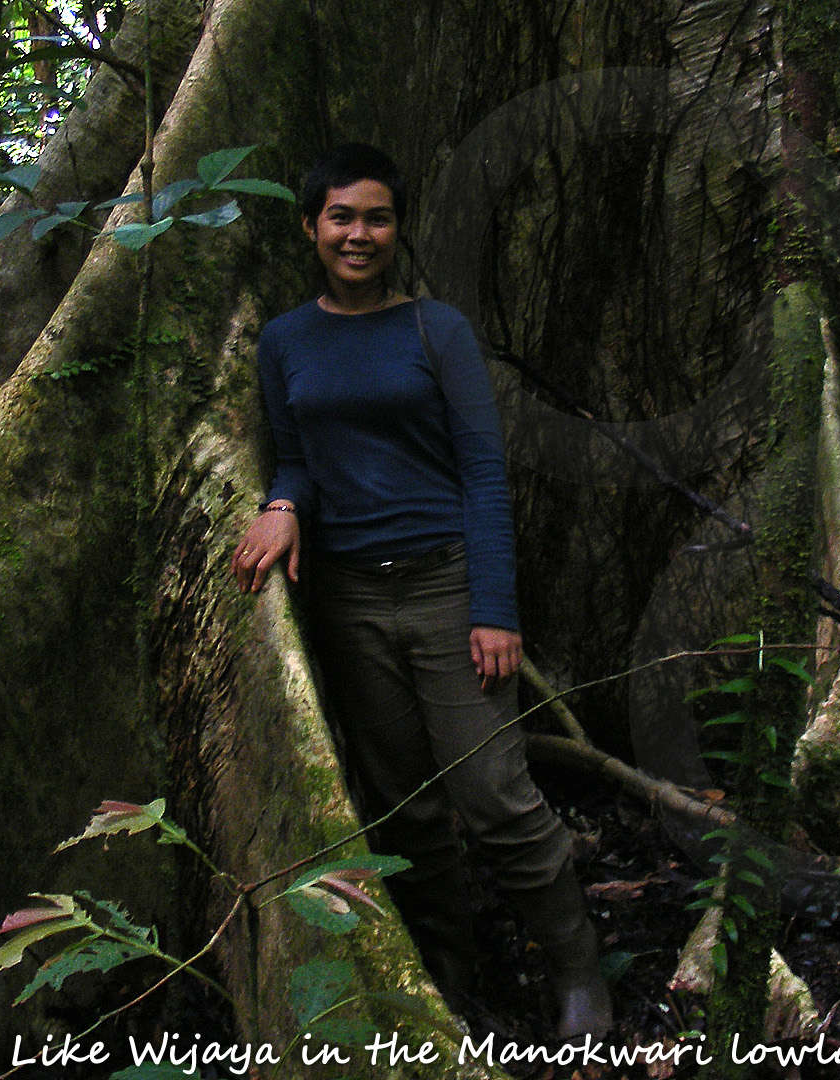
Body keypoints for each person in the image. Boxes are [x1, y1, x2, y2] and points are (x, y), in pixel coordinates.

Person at [230, 143, 613, 1041]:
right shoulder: (284, 341)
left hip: (447, 588)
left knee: (495, 793)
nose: (358, 234)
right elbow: (296, 456)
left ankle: (579, 973)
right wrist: (282, 506)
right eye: (341, 217)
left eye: (377, 218)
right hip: (348, 601)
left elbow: (483, 472)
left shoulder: (436, 330)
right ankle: (445, 977)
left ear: (398, 230)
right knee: (403, 804)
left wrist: (495, 611)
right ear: (311, 227)